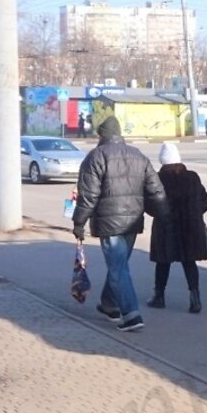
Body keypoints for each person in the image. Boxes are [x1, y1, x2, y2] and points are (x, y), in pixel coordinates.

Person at [71, 116, 166, 331]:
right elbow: (156, 189)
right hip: (133, 221)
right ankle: (109, 305)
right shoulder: (138, 155)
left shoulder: (95, 157)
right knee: (119, 266)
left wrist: (79, 222)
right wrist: (163, 215)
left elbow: (88, 196)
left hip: (109, 222)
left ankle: (131, 315)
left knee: (118, 268)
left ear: (101, 135)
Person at [147, 142, 207, 313]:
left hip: (166, 228)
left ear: (163, 160)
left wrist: (159, 215)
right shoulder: (192, 177)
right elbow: (204, 201)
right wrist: (195, 214)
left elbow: (151, 204)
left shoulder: (158, 179)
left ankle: (159, 297)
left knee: (163, 262)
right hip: (190, 227)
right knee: (190, 262)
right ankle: (195, 299)